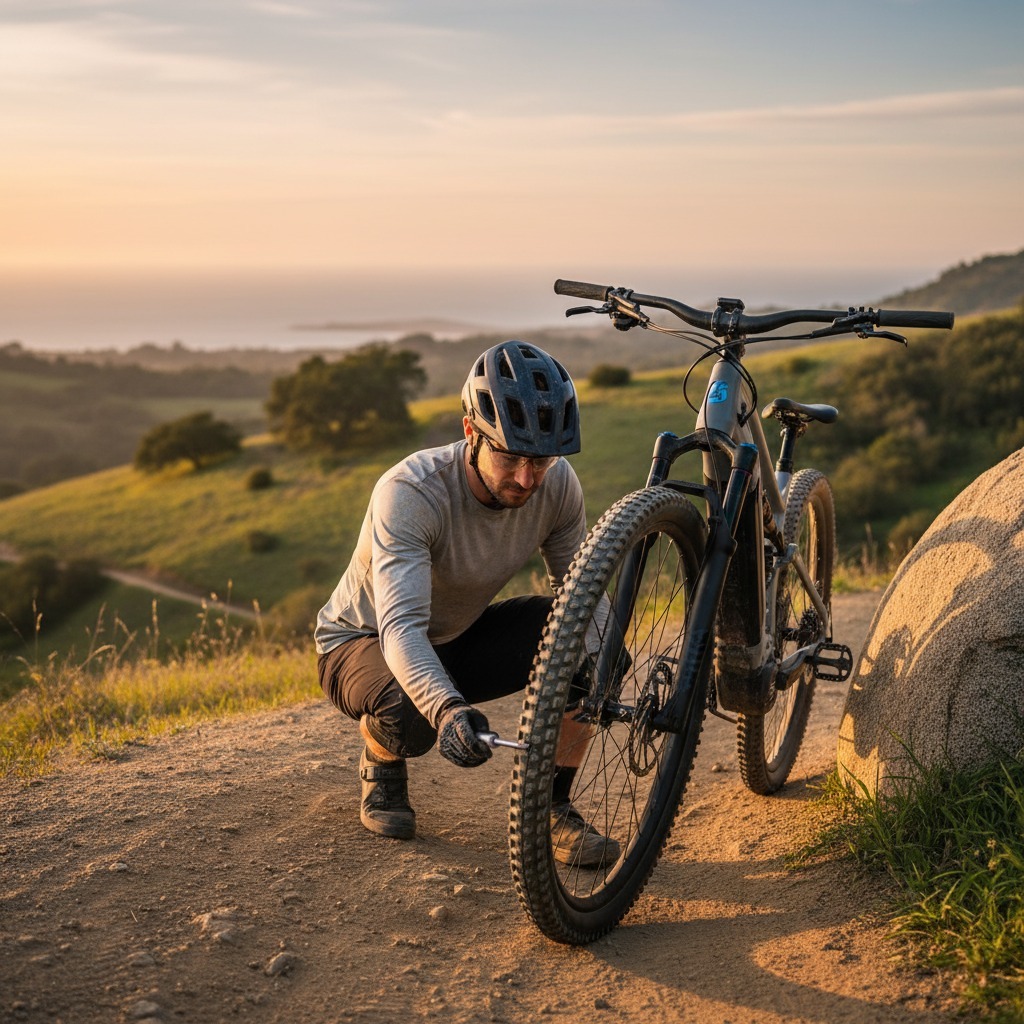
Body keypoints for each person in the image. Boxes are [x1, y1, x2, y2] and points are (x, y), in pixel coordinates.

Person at [315, 340, 618, 867]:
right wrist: (449, 710)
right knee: (413, 716)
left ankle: (551, 809)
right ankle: (380, 756)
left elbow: (579, 593)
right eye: (510, 457)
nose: (526, 478)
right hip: (364, 641)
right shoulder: (411, 493)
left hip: (458, 635)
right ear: (470, 433)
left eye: (541, 460)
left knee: (591, 648)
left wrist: (605, 666)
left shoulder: (558, 486)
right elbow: (401, 628)